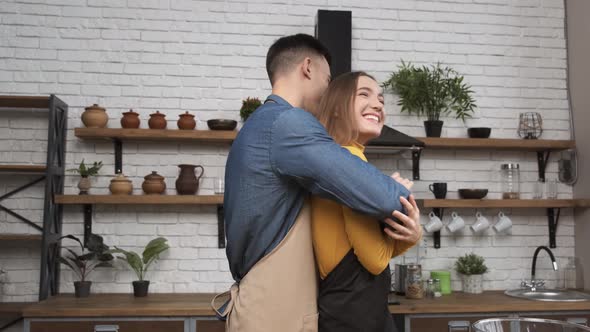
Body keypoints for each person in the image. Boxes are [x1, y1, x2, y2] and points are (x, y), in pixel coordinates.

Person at [214, 33, 421, 332]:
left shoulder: (262, 124)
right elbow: (383, 197)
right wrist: (400, 192)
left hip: (269, 301)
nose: (328, 92)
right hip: (274, 308)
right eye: (327, 80)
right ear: (308, 68)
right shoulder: (286, 123)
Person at [310, 71, 421, 332]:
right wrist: (407, 228)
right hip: (352, 317)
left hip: (351, 311)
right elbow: (376, 260)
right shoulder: (349, 162)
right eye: (364, 94)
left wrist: (410, 235)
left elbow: (369, 252)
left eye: (381, 99)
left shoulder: (340, 161)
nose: (378, 104)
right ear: (336, 108)